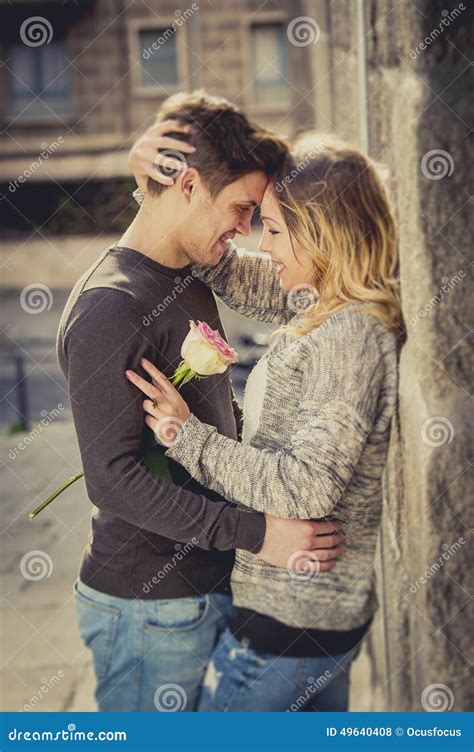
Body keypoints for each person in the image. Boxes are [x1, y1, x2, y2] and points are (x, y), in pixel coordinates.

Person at [58, 92, 344, 713]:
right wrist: (259, 534)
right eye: (241, 209)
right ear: (187, 185)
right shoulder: (111, 306)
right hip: (146, 607)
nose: (244, 230)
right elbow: (112, 479)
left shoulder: (185, 272)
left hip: (201, 588)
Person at [126, 131, 404, 711]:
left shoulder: (348, 334)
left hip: (288, 630)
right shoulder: (324, 302)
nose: (263, 244)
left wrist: (187, 437)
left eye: (275, 229)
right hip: (311, 622)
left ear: (323, 236)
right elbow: (227, 267)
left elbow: (306, 486)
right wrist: (157, 196)